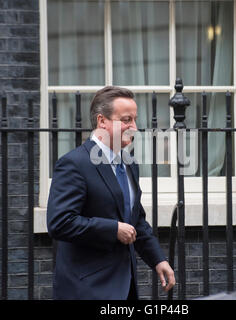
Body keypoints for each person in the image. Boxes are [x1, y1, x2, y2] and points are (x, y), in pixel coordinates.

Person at [47, 86, 175, 300]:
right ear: (102, 121)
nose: (133, 127)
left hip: (125, 288)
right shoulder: (74, 163)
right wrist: (112, 229)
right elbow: (60, 222)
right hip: (87, 289)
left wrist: (158, 260)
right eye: (126, 120)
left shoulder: (129, 163)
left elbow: (136, 221)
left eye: (134, 120)